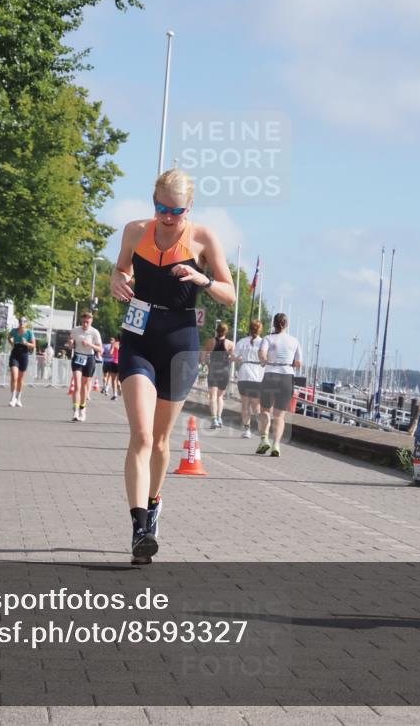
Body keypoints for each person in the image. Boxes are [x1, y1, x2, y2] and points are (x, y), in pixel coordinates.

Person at [110, 168, 235, 564]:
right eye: (160, 207)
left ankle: (154, 502)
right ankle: (139, 528)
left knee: (162, 441)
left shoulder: (203, 238)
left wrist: (201, 278)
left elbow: (230, 294)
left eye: (175, 211)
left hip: (181, 341)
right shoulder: (134, 231)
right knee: (142, 436)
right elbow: (121, 269)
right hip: (139, 336)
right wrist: (118, 281)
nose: (166, 216)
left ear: (189, 207)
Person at [256, 313, 302, 456]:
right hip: (287, 377)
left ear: (273, 324)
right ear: (286, 324)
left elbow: (262, 355)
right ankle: (276, 445)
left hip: (270, 375)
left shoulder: (268, 339)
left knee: (265, 410)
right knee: (280, 416)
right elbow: (299, 363)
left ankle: (264, 439)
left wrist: (264, 361)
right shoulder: (294, 341)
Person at [231, 319, 265, 438]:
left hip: (244, 373)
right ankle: (262, 428)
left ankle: (247, 430)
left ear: (250, 329)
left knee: (245, 404)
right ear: (260, 330)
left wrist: (240, 358)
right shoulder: (263, 342)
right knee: (256, 405)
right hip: (257, 375)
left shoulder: (242, 341)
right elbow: (266, 359)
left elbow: (233, 356)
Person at [68, 312, 103, 421]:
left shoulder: (94, 332)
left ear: (91, 321)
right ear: (81, 321)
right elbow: (70, 345)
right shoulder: (75, 330)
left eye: (87, 321)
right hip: (78, 357)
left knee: (84, 386)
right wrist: (70, 343)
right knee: (77, 385)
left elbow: (100, 349)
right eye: (84, 321)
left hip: (89, 358)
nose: (85, 323)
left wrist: (90, 344)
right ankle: (75, 411)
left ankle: (83, 410)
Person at [202, 322, 234, 429]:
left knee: (213, 396)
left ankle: (214, 419)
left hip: (214, 369)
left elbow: (204, 355)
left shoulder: (211, 341)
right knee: (220, 396)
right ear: (226, 331)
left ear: (217, 330)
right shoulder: (230, 344)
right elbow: (233, 358)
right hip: (224, 371)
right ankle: (219, 418)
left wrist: (207, 364)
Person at [8, 318, 36, 407]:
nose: (21, 323)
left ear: (26, 323)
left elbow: (34, 345)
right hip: (15, 354)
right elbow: (9, 336)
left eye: (23, 321)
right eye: (20, 321)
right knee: (14, 376)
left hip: (24, 354)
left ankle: (18, 398)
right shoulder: (14, 330)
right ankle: (13, 398)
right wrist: (11, 342)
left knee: (20, 379)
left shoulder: (29, 332)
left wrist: (26, 343)